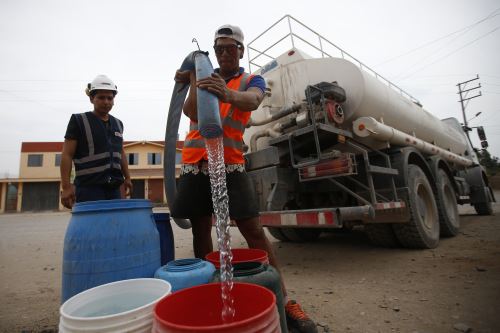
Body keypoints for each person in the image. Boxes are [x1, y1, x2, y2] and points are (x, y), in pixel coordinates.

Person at [171, 25, 317, 333]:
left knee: (253, 229)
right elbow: (190, 111)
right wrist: (195, 79)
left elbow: (252, 101)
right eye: (218, 48)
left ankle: (285, 298)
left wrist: (227, 93)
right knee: (200, 230)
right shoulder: (205, 77)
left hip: (231, 165)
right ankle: (211, 290)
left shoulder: (252, 79)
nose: (224, 53)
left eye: (230, 47)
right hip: (195, 166)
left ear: (241, 50)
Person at [60, 75, 132, 209]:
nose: (106, 101)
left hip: (114, 188)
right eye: (101, 97)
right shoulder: (78, 121)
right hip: (88, 189)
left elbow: (120, 152)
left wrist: (127, 178)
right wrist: (66, 187)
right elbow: (67, 155)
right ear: (91, 98)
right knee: (91, 228)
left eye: (110, 98)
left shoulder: (118, 124)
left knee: (113, 226)